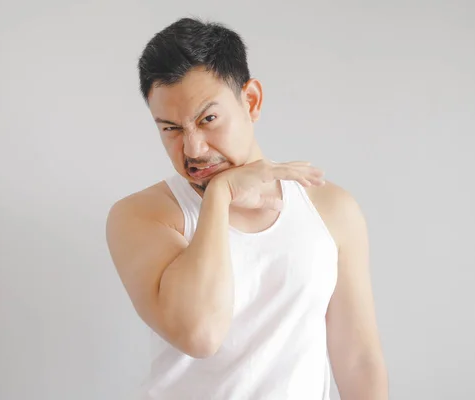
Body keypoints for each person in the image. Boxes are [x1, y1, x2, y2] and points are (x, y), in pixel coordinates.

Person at [106, 16, 388, 400]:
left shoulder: (331, 209)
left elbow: (358, 360)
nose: (193, 149)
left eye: (208, 119)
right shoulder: (142, 215)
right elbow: (200, 334)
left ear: (251, 100)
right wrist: (219, 196)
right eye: (171, 129)